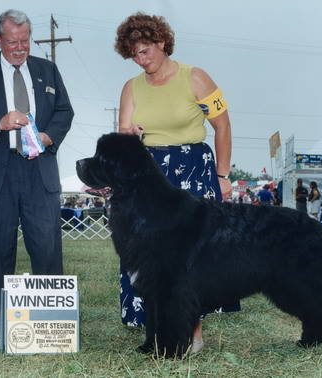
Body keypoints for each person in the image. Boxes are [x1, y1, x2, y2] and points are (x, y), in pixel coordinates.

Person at [114, 12, 240, 353]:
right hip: (150, 178)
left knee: (191, 257)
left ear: (161, 42)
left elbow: (223, 126)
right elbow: (124, 133)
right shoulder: (131, 88)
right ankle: (159, 330)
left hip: (194, 174)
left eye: (146, 50)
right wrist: (128, 134)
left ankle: (193, 333)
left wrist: (223, 175)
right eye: (135, 54)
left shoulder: (195, 78)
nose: (142, 59)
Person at [0, 9, 74, 337]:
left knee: (47, 246)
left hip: (40, 171)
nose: (20, 48)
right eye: (12, 42)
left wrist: (49, 137)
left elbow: (65, 110)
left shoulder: (48, 70)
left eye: (24, 41)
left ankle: (54, 322)